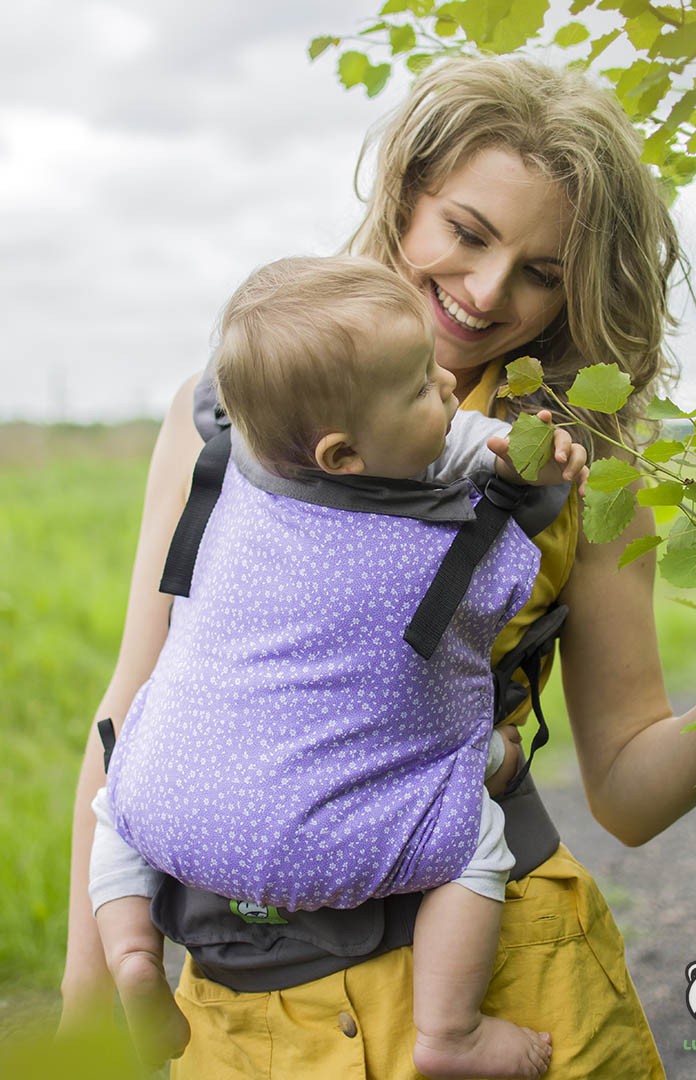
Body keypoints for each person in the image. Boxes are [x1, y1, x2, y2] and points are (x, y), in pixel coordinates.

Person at [59, 54, 696, 1079]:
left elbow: (625, 787)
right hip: (242, 1021)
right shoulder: (227, 415)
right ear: (407, 196)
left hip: (505, 977)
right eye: (467, 233)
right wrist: (86, 1017)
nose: (489, 293)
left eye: (542, 270)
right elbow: (133, 709)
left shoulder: (577, 466)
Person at [87, 254, 588, 1077]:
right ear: (343, 455)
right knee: (476, 844)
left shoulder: (235, 476)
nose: (446, 387)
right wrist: (523, 464)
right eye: (423, 389)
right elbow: (455, 464)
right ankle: (450, 1035)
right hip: (334, 846)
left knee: (119, 805)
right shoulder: (433, 548)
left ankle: (134, 956)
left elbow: (437, 441)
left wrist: (465, 431)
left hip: (176, 816)